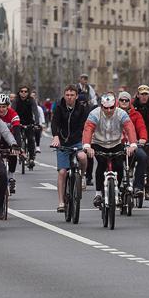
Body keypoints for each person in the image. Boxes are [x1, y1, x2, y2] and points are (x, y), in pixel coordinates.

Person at [83, 93, 138, 209]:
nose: (108, 110)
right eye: (105, 108)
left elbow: (130, 128)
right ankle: (98, 194)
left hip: (116, 143)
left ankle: (117, 192)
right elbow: (88, 129)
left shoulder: (121, 113)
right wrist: (87, 146)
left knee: (118, 165)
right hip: (98, 143)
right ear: (101, 106)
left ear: (115, 105)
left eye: (111, 107)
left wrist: (133, 144)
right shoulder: (94, 114)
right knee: (101, 164)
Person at [51, 85, 90, 213]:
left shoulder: (82, 109)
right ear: (64, 95)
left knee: (83, 157)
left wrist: (87, 141)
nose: (69, 97)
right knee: (62, 172)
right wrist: (56, 136)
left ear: (76, 96)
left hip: (78, 141)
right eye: (67, 95)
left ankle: (82, 176)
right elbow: (54, 123)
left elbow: (86, 126)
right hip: (63, 143)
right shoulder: (59, 108)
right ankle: (61, 201)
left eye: (72, 95)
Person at [118, 91, 148, 201]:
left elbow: (141, 128)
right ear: (118, 101)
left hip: (133, 144)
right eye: (122, 100)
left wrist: (143, 139)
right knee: (114, 161)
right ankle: (115, 185)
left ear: (130, 101)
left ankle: (138, 187)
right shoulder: (112, 112)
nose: (124, 102)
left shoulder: (136, 114)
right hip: (117, 145)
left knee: (143, 157)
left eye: (126, 100)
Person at [0, 93, 21, 194]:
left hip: (9, 139)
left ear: (8, 106)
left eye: (4, 107)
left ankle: (11, 177)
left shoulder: (13, 114)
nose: (1, 109)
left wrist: (17, 147)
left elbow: (17, 132)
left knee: (13, 154)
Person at [12, 85, 39, 161]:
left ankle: (31, 157)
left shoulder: (31, 100)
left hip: (29, 122)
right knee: (17, 138)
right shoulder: (16, 100)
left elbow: (35, 111)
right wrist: (12, 121)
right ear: (19, 92)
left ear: (28, 93)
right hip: (18, 121)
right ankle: (20, 152)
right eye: (22, 91)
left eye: (25, 92)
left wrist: (37, 122)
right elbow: (12, 111)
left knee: (30, 139)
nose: (23, 93)